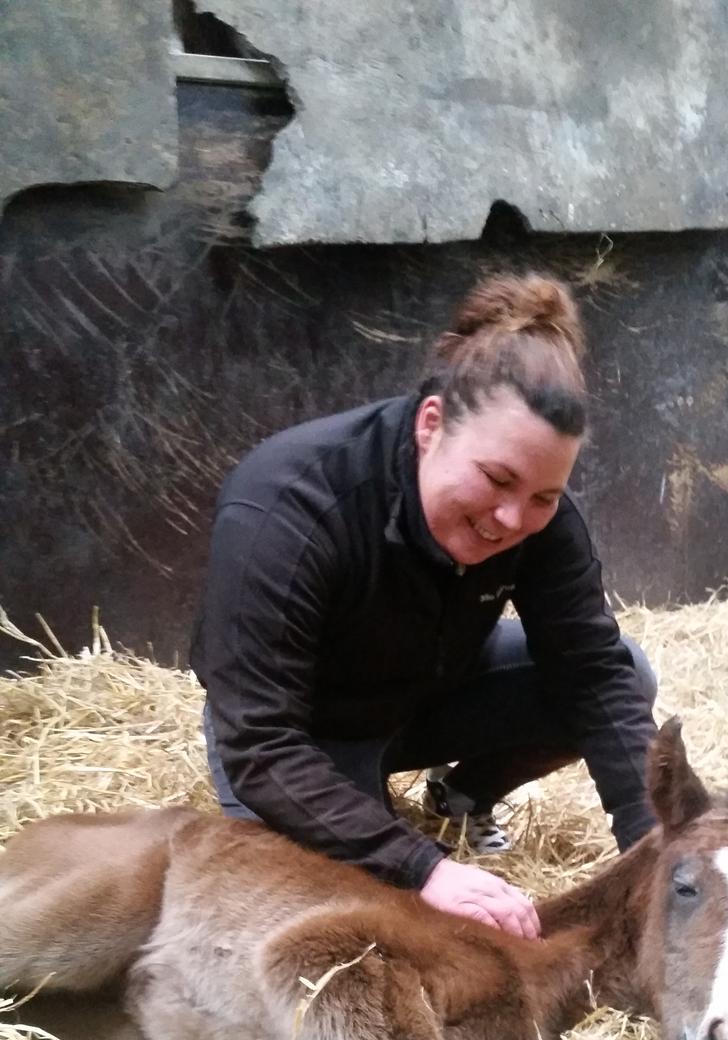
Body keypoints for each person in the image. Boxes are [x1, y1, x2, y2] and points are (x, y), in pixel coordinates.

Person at [191, 273, 658, 941]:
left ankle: (459, 797)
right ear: (430, 424)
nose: (510, 517)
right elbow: (259, 745)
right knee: (357, 913)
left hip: (429, 694)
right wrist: (423, 867)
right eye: (496, 479)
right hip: (308, 734)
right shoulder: (286, 503)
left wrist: (655, 855)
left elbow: (595, 674)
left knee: (629, 671)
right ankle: (381, 814)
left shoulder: (541, 521)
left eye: (543, 497)